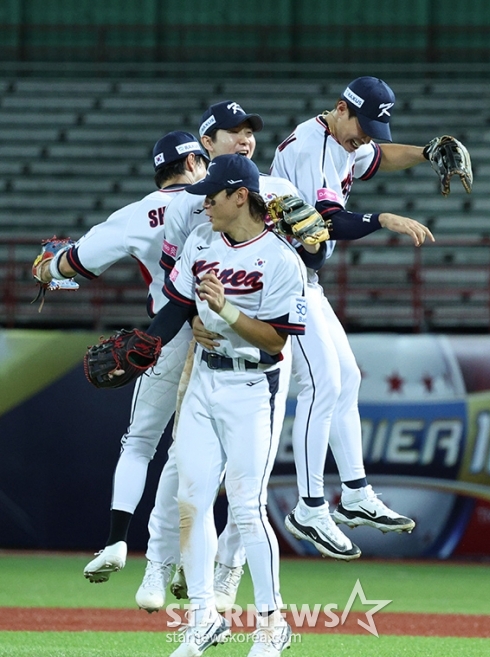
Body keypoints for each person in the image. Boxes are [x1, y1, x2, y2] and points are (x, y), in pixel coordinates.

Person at [137, 100, 326, 613]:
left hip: (256, 377)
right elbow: (177, 298)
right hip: (203, 367)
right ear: (207, 144)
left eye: (249, 131)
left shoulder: (279, 212)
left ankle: (245, 595)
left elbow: (282, 326)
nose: (244, 138)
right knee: (188, 484)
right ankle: (181, 588)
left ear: (239, 195)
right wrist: (150, 344)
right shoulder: (197, 223)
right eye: (231, 131)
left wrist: (223, 313)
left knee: (247, 500)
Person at [32, 131, 208, 604]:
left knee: (139, 444)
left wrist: (48, 268)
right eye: (203, 160)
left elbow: (73, 264)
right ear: (192, 162)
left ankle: (115, 539)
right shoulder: (218, 200)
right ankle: (185, 560)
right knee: (196, 454)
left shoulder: (136, 214)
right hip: (221, 335)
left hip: (165, 334)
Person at [270, 76, 438, 555]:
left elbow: (380, 159)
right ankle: (307, 507)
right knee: (321, 385)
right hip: (282, 278)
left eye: (371, 129)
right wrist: (384, 219)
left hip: (306, 279)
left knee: (346, 377)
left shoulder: (345, 141)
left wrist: (426, 152)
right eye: (361, 126)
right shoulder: (312, 145)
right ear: (341, 108)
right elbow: (328, 222)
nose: (364, 137)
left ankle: (357, 493)